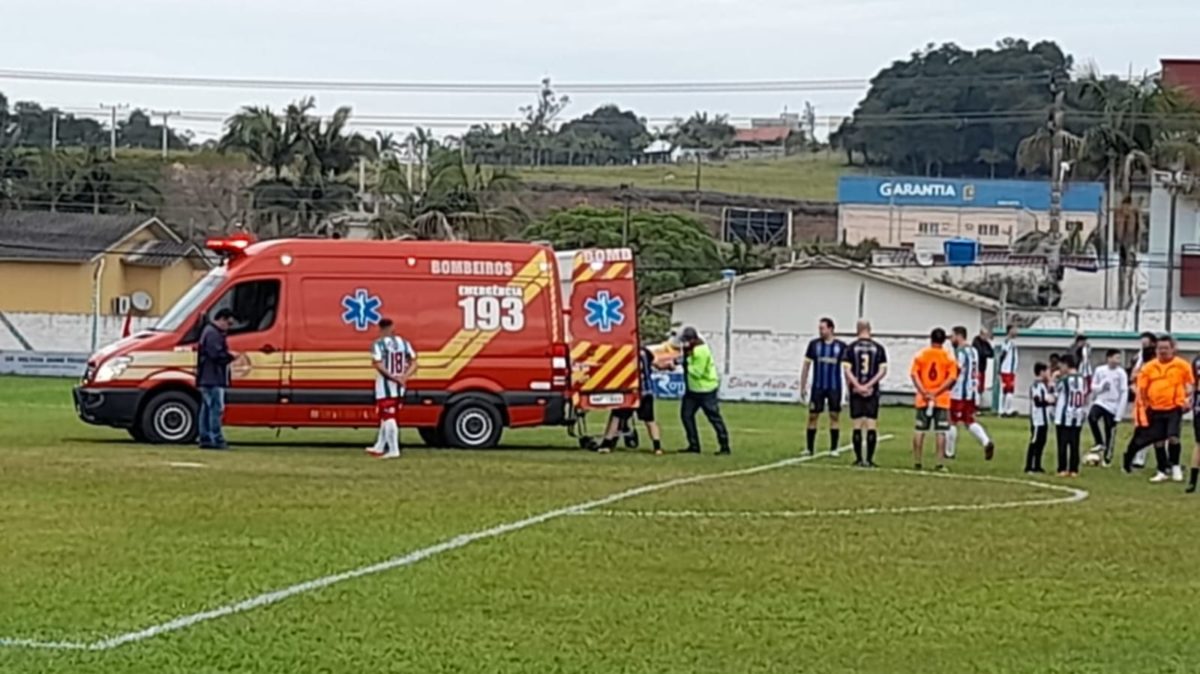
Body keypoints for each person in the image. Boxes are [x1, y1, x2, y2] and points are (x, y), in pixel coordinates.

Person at [1122, 335, 1194, 483]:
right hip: (1154, 408)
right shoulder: (1149, 367)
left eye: (1166, 348)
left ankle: (1175, 467)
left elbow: (1189, 384)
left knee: (1173, 437)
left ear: (1173, 349)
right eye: (1160, 348)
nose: (1163, 351)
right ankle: (1162, 470)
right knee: (1158, 440)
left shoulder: (1182, 365)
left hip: (1174, 407)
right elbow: (1141, 387)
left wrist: (1187, 398)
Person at [598, 344, 663, 456]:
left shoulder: (624, 351)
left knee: (616, 417)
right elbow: (654, 363)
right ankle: (657, 447)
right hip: (645, 391)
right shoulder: (645, 351)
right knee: (650, 420)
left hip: (629, 391)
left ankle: (606, 445)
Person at [909, 328, 958, 471]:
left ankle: (917, 461)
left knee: (919, 429)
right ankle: (939, 462)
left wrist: (924, 391)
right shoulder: (948, 357)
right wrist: (937, 392)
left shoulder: (922, 355)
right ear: (944, 340)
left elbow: (914, 374)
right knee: (940, 431)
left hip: (923, 398)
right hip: (941, 399)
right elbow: (952, 378)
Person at [367, 318, 417, 460]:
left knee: (389, 417)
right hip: (400, 386)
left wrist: (393, 378)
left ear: (380, 328)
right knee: (385, 416)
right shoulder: (404, 343)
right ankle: (380, 445)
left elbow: (378, 364)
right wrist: (404, 377)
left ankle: (394, 450)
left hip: (386, 386)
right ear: (393, 328)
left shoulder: (378, 344)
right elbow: (414, 363)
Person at [841, 319, 888, 468]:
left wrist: (858, 386)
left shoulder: (850, 348)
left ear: (857, 330)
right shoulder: (879, 348)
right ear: (870, 329)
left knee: (857, 425)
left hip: (856, 391)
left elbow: (847, 370)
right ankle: (869, 459)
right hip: (872, 391)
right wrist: (869, 385)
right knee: (871, 424)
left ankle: (858, 459)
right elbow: (883, 371)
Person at [678, 327, 731, 456]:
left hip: (706, 389)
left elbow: (697, 372)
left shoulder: (700, 351)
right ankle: (693, 445)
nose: (684, 343)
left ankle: (724, 446)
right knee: (686, 416)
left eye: (687, 341)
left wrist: (685, 361)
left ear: (693, 340)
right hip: (693, 390)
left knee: (714, 418)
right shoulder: (692, 349)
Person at [947, 326, 996, 461]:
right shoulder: (974, 350)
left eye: (952, 336)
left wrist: (947, 386)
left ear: (959, 336)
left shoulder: (960, 352)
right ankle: (986, 442)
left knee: (952, 421)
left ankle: (949, 452)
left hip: (959, 392)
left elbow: (956, 371)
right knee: (969, 420)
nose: (951, 339)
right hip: (972, 392)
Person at [196, 309, 242, 450]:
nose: (228, 327)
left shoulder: (209, 331)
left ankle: (205, 437)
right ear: (221, 319)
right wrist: (230, 356)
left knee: (207, 409)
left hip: (207, 377)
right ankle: (216, 438)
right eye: (228, 323)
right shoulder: (213, 334)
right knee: (216, 408)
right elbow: (216, 355)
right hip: (213, 377)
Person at [800, 318, 847, 456]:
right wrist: (803, 385)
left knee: (834, 416)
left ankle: (834, 449)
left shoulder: (841, 346)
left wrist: (849, 388)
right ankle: (809, 448)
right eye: (819, 328)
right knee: (813, 416)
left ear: (831, 329)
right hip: (818, 387)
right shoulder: (814, 345)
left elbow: (847, 369)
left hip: (834, 387)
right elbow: (806, 366)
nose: (820, 331)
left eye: (822, 328)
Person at [1088, 349, 1128, 466]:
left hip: (1113, 405)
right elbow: (1093, 386)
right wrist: (1101, 387)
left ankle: (1107, 458)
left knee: (1110, 431)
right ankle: (1099, 442)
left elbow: (1123, 392)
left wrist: (1119, 413)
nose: (1118, 361)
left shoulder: (1121, 373)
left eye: (1119, 358)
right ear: (1109, 358)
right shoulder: (1100, 370)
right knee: (1092, 417)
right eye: (1116, 358)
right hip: (1101, 401)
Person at [1053, 354, 1087, 477]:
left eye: (1061, 366)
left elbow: (1055, 393)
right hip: (1077, 415)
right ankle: (1074, 469)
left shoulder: (1065, 380)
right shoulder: (1082, 379)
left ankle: (1062, 468)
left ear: (1066, 365)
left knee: (1062, 443)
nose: (1060, 369)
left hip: (1064, 415)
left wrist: (1054, 379)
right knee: (1075, 444)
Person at [1129, 332, 1159, 470]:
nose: (1144, 346)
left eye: (1146, 343)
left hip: (1156, 398)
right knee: (1141, 428)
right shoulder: (1140, 357)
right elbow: (1133, 376)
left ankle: (1164, 461)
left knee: (1159, 430)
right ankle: (1137, 457)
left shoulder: (1158, 359)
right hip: (1142, 398)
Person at [1025, 362, 1054, 474]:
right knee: (1035, 441)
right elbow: (1037, 402)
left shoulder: (1044, 386)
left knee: (1042, 442)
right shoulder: (1037, 385)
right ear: (1041, 372)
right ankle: (1029, 465)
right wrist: (1049, 402)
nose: (1048, 374)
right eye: (1047, 371)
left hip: (1045, 419)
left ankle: (1037, 465)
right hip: (1038, 419)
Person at [997, 324, 1020, 417]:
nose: (1017, 331)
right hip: (1006, 370)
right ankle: (1001, 410)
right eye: (1015, 329)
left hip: (1011, 371)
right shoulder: (1007, 341)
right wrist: (999, 368)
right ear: (1010, 331)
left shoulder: (1013, 342)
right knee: (1004, 390)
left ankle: (1007, 409)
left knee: (1010, 390)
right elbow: (1003, 354)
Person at [973, 327, 995, 396]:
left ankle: (980, 398)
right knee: (977, 386)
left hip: (983, 367)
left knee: (981, 387)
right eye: (985, 335)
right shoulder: (976, 341)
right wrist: (986, 353)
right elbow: (981, 353)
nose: (986, 337)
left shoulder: (986, 343)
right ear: (981, 334)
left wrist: (986, 352)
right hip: (977, 367)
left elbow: (992, 353)